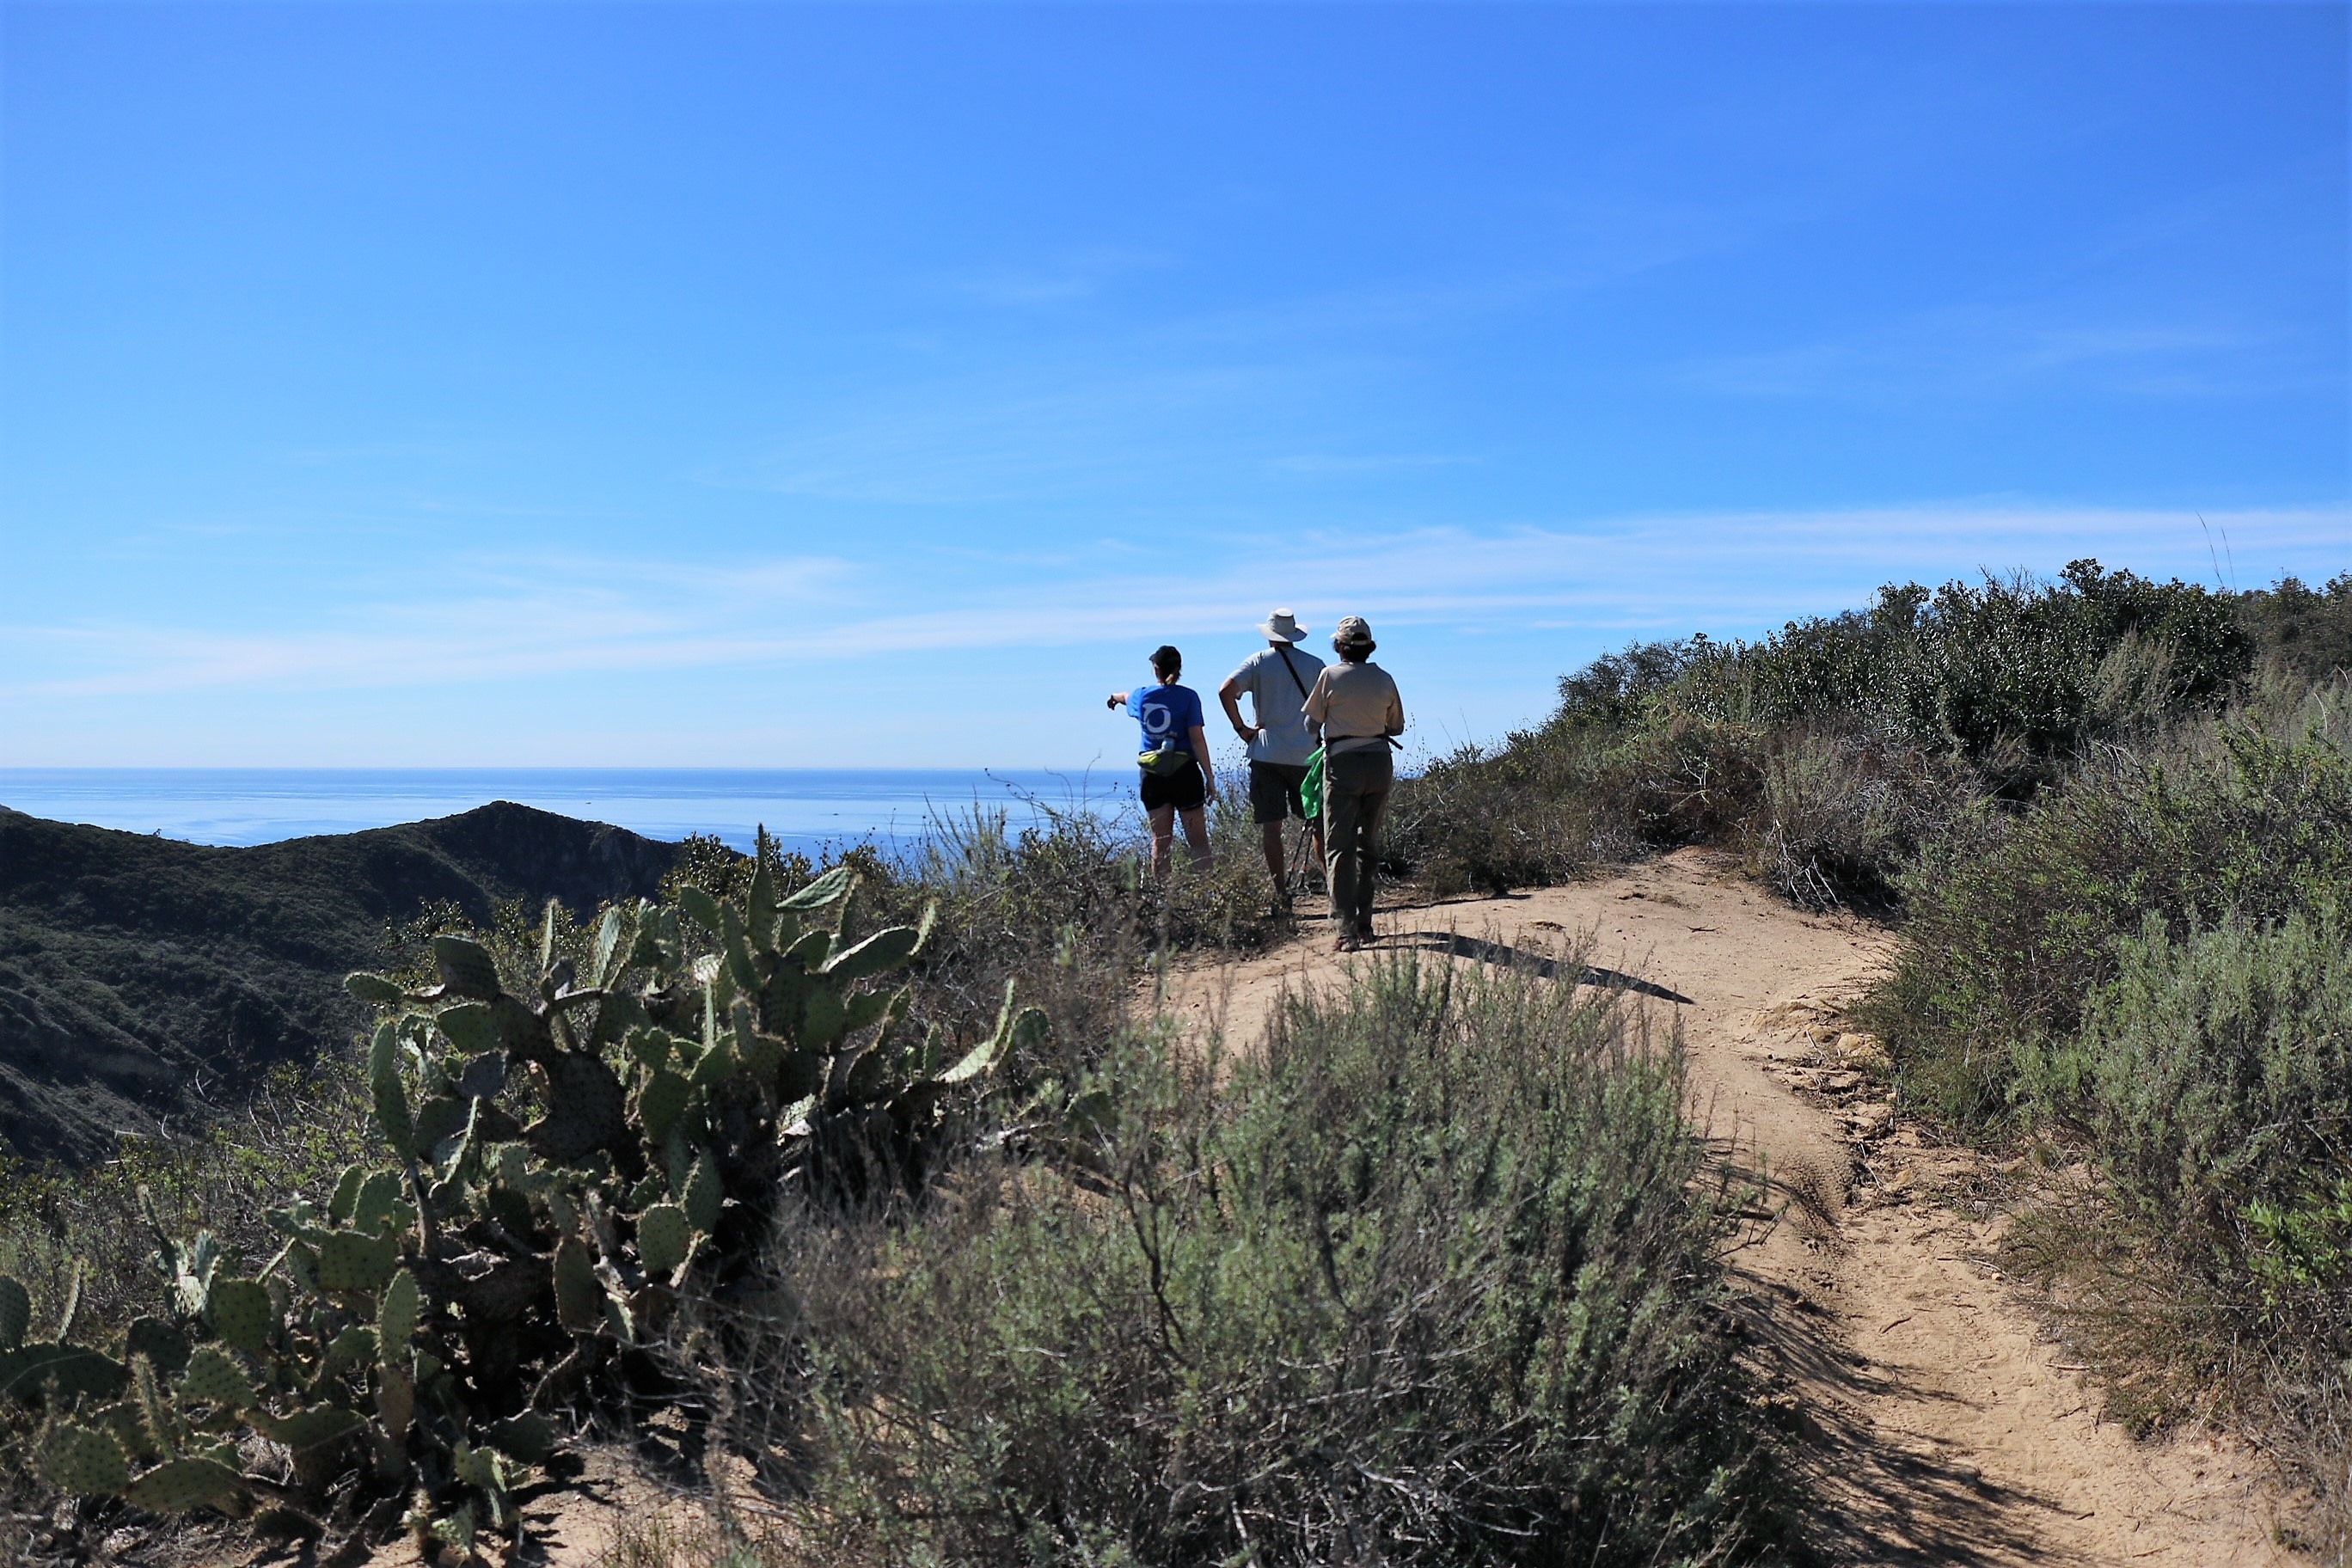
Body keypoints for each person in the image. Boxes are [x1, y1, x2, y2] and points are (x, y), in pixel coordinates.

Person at [1302, 616, 1403, 952]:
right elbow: (1397, 726)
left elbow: (1310, 724)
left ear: (1339, 647)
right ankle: (1364, 924)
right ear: (1369, 647)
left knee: (1338, 847)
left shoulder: (1329, 676)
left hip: (1342, 765)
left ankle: (1344, 930)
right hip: (1378, 762)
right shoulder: (1385, 678)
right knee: (1367, 846)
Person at [1217, 609, 1326, 907]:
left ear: (1270, 636)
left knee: (1272, 828)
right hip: (1308, 755)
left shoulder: (1258, 663)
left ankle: (1281, 894)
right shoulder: (1316, 665)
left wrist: (1242, 729)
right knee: (1318, 824)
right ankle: (1335, 891)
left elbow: (1225, 691)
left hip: (1267, 754)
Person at [1106, 644, 1216, 877]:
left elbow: (1126, 696)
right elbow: (1197, 739)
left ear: (1155, 668)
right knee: (1198, 843)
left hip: (1153, 776)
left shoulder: (1142, 696)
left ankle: (1163, 904)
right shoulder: (1189, 697)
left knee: (1161, 842)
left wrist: (1113, 698)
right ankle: (1208, 896)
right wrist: (1210, 778)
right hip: (1185, 773)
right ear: (1179, 668)